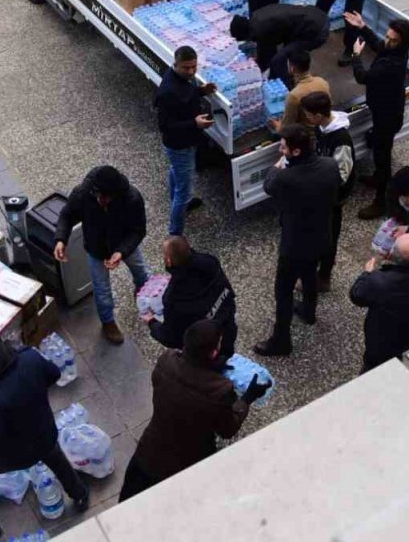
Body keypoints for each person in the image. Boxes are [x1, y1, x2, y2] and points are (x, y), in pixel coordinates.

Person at [0, 334, 88, 541]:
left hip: (18, 455)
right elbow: (54, 373)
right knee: (54, 455)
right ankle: (79, 494)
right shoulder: (30, 358)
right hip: (45, 431)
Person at [120, 320, 269, 501]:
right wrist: (247, 399)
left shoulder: (166, 361)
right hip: (187, 462)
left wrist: (207, 366)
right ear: (214, 352)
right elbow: (227, 429)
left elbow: (183, 382)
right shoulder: (219, 390)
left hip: (148, 453)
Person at [254, 125, 341, 357]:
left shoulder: (286, 177)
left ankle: (281, 340)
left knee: (283, 290)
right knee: (309, 274)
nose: (280, 151)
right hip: (322, 236)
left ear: (295, 152)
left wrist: (278, 166)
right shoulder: (330, 166)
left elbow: (268, 185)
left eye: (283, 148)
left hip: (294, 245)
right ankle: (309, 311)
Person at [54, 166, 150, 345]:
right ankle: (108, 322)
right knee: (101, 289)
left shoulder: (132, 198)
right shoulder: (83, 194)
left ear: (115, 194)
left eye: (105, 197)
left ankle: (143, 292)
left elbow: (138, 230)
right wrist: (61, 239)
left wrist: (121, 251)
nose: (100, 201)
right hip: (96, 248)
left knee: (141, 272)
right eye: (98, 196)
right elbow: (67, 215)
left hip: (124, 243)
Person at [344, 12, 409, 219]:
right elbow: (378, 44)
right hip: (384, 111)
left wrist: (355, 55)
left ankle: (381, 201)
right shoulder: (395, 49)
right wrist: (362, 26)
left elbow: (362, 76)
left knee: (383, 158)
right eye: (388, 37)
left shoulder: (392, 64)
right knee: (379, 149)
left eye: (393, 40)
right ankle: (377, 177)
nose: (388, 42)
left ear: (402, 42)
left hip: (387, 117)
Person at [349, 233, 409, 373]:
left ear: (392, 255)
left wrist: (367, 274)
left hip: (381, 346)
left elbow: (356, 295)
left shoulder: (379, 282)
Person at [145, 235, 237, 368]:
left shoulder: (173, 297)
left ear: (169, 261)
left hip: (202, 351)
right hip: (227, 330)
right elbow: (227, 292)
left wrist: (152, 322)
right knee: (226, 358)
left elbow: (170, 337)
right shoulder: (210, 262)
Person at [155, 46, 217, 236]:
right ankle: (175, 235)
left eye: (194, 67)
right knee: (183, 191)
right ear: (176, 65)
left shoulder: (182, 81)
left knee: (176, 170)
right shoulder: (168, 91)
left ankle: (181, 203)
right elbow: (165, 126)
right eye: (186, 68)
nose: (191, 72)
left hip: (182, 144)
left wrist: (201, 91)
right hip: (180, 145)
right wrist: (194, 123)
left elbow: (187, 96)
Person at [300, 91, 357, 291]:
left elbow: (342, 175)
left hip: (332, 199)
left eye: (308, 114)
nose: (306, 118)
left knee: (329, 237)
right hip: (321, 193)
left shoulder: (340, 140)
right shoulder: (321, 129)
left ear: (318, 115)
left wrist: (317, 184)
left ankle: (324, 277)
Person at [230, 3, 329, 85]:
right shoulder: (256, 17)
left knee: (280, 59)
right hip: (316, 14)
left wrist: (259, 70)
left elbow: (270, 55)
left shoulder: (259, 30)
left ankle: (289, 87)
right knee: (286, 52)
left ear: (245, 34)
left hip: (316, 31)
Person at [272, 49, 329, 130]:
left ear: (292, 68)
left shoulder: (294, 95)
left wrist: (276, 125)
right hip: (323, 124)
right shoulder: (322, 82)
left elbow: (286, 127)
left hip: (306, 130)